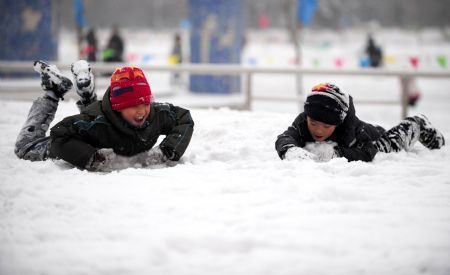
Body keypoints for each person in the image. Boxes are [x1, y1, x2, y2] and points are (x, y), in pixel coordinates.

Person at [14, 60, 194, 172]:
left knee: (92, 123)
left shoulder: (156, 114)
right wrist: (91, 157)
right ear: (118, 107)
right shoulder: (97, 122)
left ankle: (86, 95)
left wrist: (167, 152)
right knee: (24, 147)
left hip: (94, 127)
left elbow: (183, 118)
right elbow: (59, 134)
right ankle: (52, 93)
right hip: (70, 144)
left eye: (145, 103)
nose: (142, 111)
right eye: (133, 106)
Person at [275, 83, 445, 162]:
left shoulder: (351, 129)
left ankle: (418, 122)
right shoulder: (303, 120)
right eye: (313, 123)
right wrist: (289, 149)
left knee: (399, 140)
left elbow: (367, 151)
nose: (318, 130)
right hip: (368, 134)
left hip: (377, 139)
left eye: (326, 126)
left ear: (339, 122)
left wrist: (338, 153)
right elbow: (286, 136)